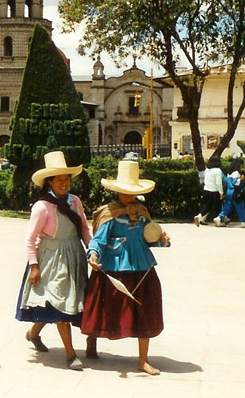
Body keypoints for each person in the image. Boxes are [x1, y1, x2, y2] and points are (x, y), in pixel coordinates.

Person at [82, 160, 170, 375]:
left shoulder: (142, 213)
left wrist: (162, 240)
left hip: (142, 268)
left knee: (144, 309)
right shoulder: (109, 214)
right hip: (113, 269)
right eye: (125, 192)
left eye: (132, 192)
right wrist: (93, 255)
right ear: (117, 192)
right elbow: (99, 240)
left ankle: (142, 360)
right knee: (103, 307)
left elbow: (149, 237)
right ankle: (92, 339)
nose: (129, 196)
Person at [16, 151, 90, 371]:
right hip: (51, 257)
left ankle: (33, 334)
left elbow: (84, 229)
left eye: (67, 178)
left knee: (59, 302)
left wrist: (92, 250)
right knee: (59, 304)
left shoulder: (75, 202)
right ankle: (70, 354)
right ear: (49, 182)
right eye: (59, 179)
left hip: (73, 254)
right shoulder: (42, 207)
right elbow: (30, 238)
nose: (64, 183)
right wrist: (34, 266)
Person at [215, 160, 245, 228]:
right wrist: (241, 179)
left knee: (227, 206)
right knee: (240, 206)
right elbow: (235, 183)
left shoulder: (229, 173)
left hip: (229, 191)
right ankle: (243, 222)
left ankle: (219, 217)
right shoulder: (236, 173)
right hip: (236, 191)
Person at [194, 155, 224, 227]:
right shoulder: (218, 170)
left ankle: (199, 216)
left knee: (207, 206)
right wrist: (221, 192)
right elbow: (218, 183)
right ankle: (217, 220)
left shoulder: (207, 170)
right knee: (217, 206)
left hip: (206, 189)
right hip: (215, 190)